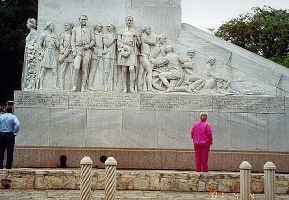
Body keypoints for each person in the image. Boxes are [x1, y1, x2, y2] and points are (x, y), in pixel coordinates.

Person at [71, 15, 95, 91]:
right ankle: (74, 85)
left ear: (86, 20)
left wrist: (88, 46)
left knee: (85, 69)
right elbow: (72, 41)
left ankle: (83, 87)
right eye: (82, 19)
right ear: (79, 20)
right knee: (76, 67)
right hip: (78, 49)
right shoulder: (75, 29)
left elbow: (93, 40)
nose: (83, 21)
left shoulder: (90, 29)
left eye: (85, 19)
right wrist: (74, 50)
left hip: (87, 50)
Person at [0, 102, 20, 169]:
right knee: (10, 151)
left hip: (1, 134)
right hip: (9, 135)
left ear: (5, 110)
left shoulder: (1, 116)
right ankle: (8, 166)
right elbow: (17, 125)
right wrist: (14, 132)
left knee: (1, 150)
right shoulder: (13, 117)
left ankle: (0, 165)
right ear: (11, 111)